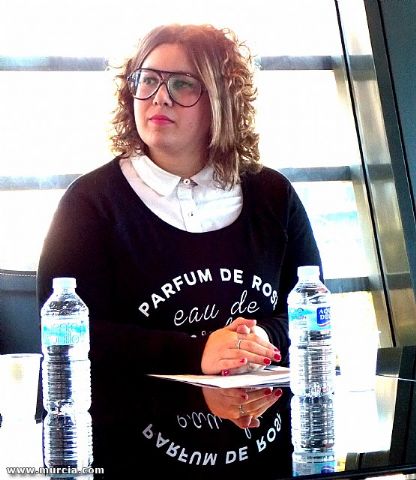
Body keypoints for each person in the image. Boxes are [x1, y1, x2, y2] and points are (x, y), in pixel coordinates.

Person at [37, 24, 322, 390]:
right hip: (126, 417)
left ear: (222, 99)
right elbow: (67, 331)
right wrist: (196, 352)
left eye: (182, 84)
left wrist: (258, 341)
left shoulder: (274, 195)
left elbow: (311, 309)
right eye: (147, 80)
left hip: (259, 410)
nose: (160, 97)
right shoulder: (90, 203)